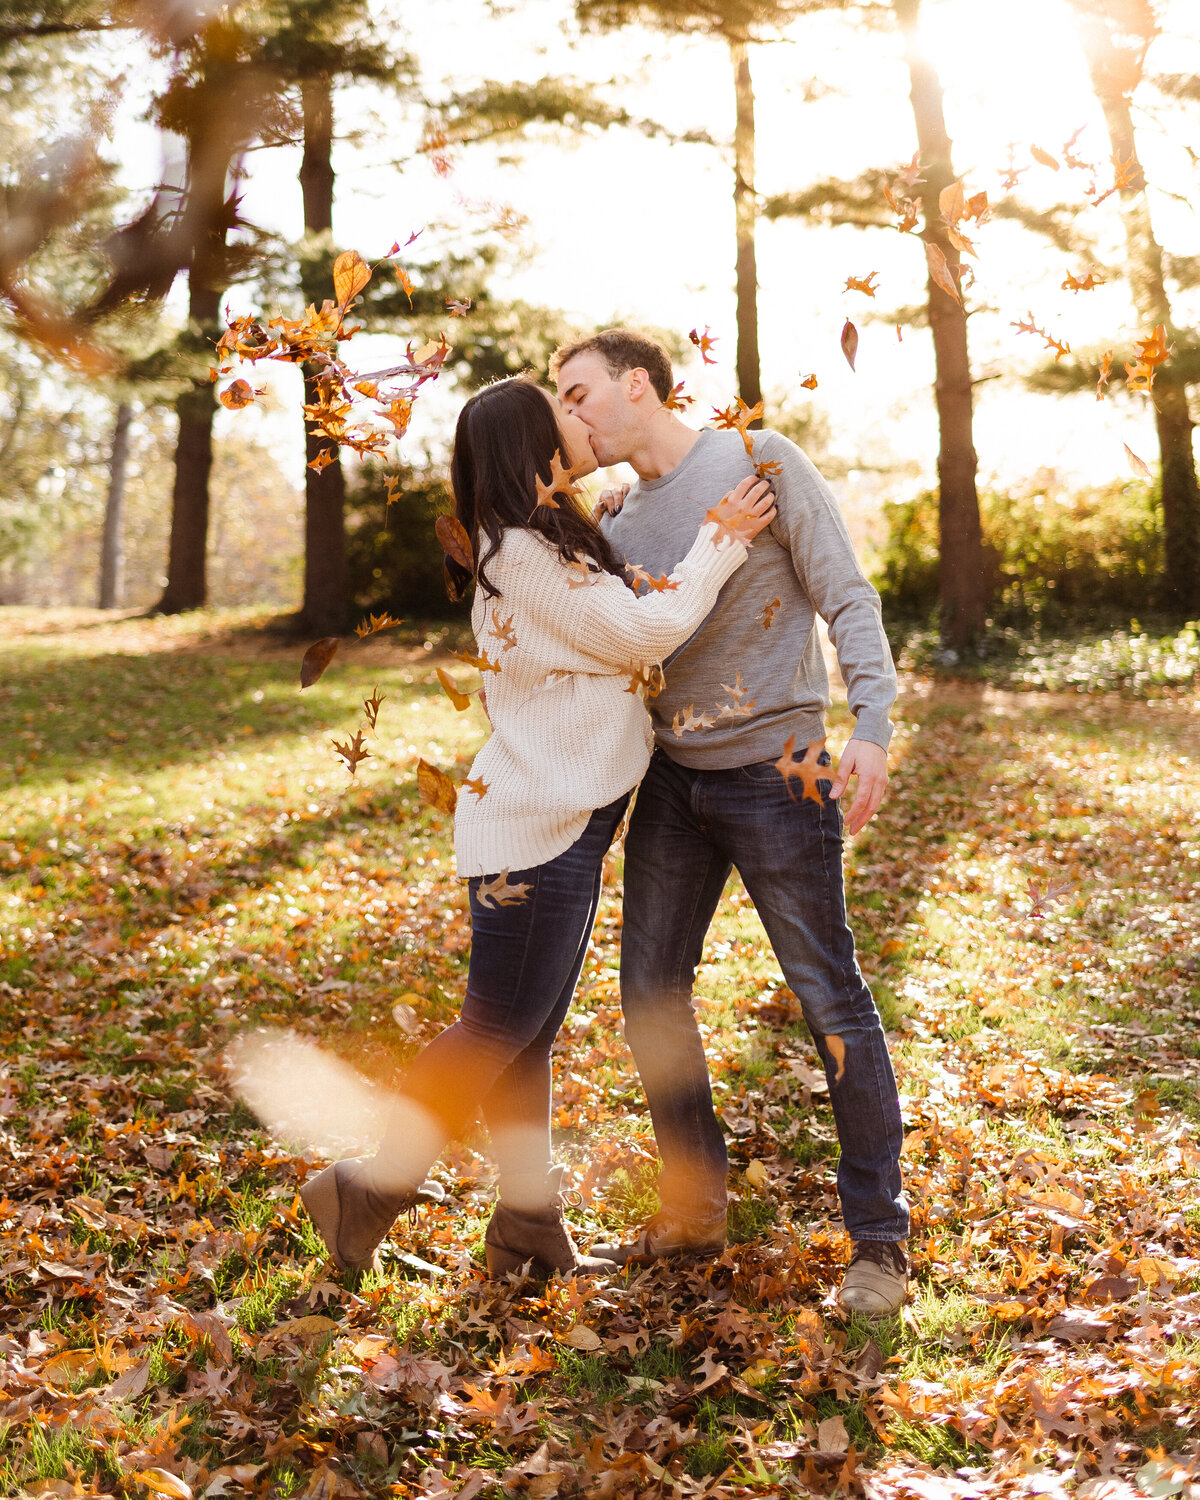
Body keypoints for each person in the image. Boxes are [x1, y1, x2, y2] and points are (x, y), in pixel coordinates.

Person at [299, 374, 777, 1281]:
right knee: (494, 1028)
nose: (583, 419)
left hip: (558, 825)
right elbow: (647, 632)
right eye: (566, 412)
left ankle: (528, 1230)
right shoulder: (521, 553)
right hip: (534, 834)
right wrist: (722, 539)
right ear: (534, 447)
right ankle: (368, 1187)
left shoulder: (542, 545)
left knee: (523, 1035)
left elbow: (604, 621)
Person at [551, 329, 910, 1316]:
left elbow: (846, 595)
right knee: (650, 995)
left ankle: (879, 1243)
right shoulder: (615, 522)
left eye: (580, 394)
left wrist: (873, 725)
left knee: (828, 998)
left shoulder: (761, 461)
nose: (570, 417)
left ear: (637, 385)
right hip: (675, 782)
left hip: (777, 774)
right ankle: (696, 1201)